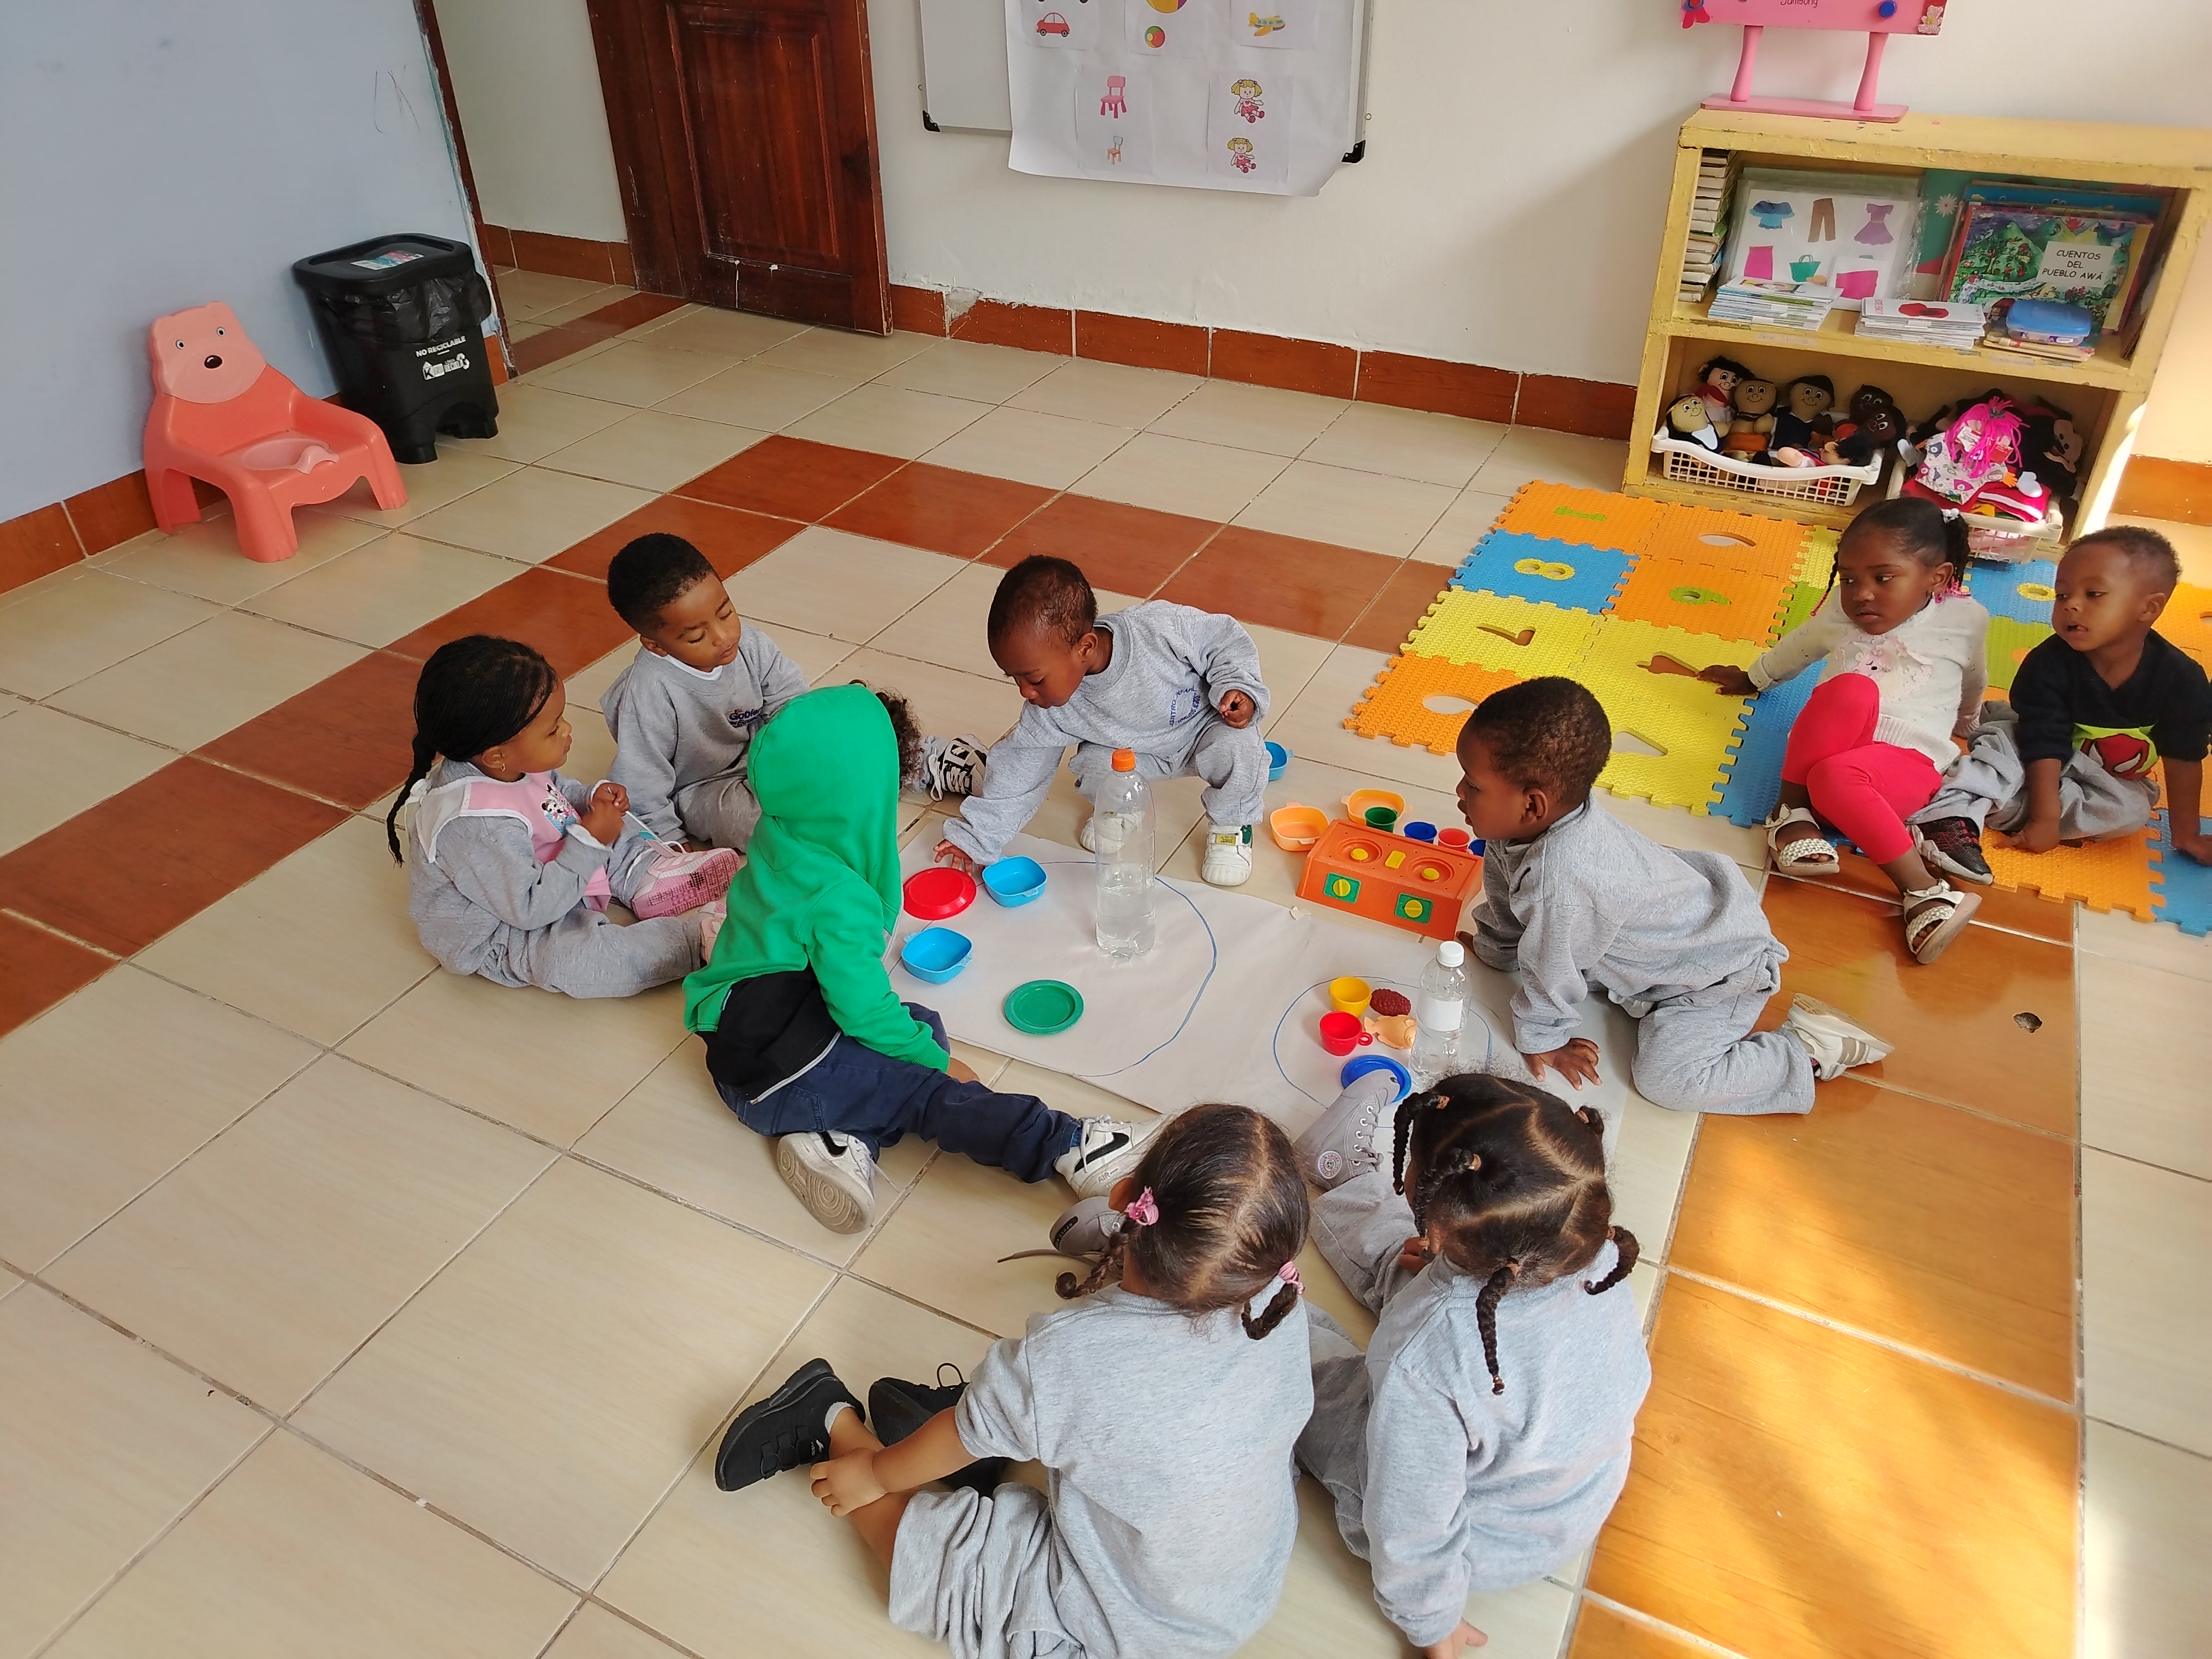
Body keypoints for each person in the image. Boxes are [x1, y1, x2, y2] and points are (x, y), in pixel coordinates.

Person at [712, 1104, 1313, 1659]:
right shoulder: (1278, 1303)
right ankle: (830, 1420)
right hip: (1193, 1604)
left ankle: (994, 1427)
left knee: (1018, 1415)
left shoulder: (1072, 1359)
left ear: (1123, 1197)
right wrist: (870, 1474)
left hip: (1157, 1597)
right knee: (941, 1581)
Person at [685, 682, 1154, 1234]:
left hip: (745, 1045)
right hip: (781, 1075)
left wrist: (916, 1044)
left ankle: (840, 1138)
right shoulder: (839, 899)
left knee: (919, 1022)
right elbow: (862, 1011)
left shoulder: (779, 833)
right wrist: (936, 1066)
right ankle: (1071, 1145)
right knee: (928, 1090)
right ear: (864, 791)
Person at [1291, 1071, 1650, 1659]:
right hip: (1559, 1499)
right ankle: (1344, 1178)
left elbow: (1410, 1519)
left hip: (1473, 1543)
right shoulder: (1594, 1249)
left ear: (1438, 1219)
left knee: (1307, 1379)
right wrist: (1442, 1261)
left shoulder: (1425, 1353)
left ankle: (1244, 1306)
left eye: (1410, 1168)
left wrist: (1432, 1622)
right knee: (1416, 1274)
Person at [1454, 676, 1889, 1114]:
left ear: (1533, 805)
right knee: (1558, 945)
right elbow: (1509, 896)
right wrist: (1497, 950)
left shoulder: (1561, 883)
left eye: (1472, 785)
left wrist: (1544, 1038)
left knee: (1667, 1082)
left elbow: (1552, 966)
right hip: (1667, 943)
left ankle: (1806, 1048)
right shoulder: (1527, 825)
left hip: (1717, 976)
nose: (1459, 792)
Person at [1699, 497, 1990, 963]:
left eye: (1883, 578)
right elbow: (1801, 645)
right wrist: (1755, 678)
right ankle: (1790, 814)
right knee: (1851, 689)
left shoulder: (1966, 619)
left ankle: (1923, 891)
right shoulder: (1841, 610)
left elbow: (1973, 677)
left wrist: (1968, 724)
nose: (1862, 594)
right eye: (1850, 578)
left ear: (1937, 578)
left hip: (1901, 770)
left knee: (1839, 776)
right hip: (1818, 765)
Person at [388, 635, 735, 996]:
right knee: (577, 961)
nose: (567, 730)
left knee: (604, 821)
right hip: (508, 929)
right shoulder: (478, 827)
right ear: (496, 755)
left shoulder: (509, 763)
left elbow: (552, 793)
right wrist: (590, 841)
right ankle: (696, 940)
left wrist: (589, 799)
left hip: (547, 871)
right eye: (553, 729)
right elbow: (530, 910)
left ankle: (642, 874)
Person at [932, 555, 1269, 888]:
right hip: (1133, 756)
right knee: (1092, 763)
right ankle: (1119, 810)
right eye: (1014, 679)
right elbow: (1019, 772)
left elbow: (1223, 639)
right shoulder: (1049, 709)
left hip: (1203, 731)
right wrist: (977, 837)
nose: (1025, 692)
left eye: (1034, 678)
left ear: (1085, 648)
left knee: (1240, 748)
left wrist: (1237, 685)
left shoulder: (1159, 629)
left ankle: (1232, 826)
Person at [1911, 525, 2210, 882]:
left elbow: (2184, 758)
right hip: (2034, 749)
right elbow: (2043, 741)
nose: (2071, 605)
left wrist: (2187, 835)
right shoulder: (2047, 664)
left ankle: (1981, 799)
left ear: (2148, 608)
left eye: (2094, 594)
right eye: (2062, 595)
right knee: (2004, 741)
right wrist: (2045, 819)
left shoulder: (2182, 679)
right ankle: (1950, 811)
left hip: (2098, 774)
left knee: (2131, 811)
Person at [599, 533, 811, 851]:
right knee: (751, 823)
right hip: (703, 787)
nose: (724, 637)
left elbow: (792, 703)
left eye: (726, 614)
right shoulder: (648, 693)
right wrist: (671, 844)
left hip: (763, 755)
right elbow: (641, 781)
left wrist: (803, 754)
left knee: (839, 753)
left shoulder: (751, 646)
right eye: (697, 637)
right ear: (656, 646)